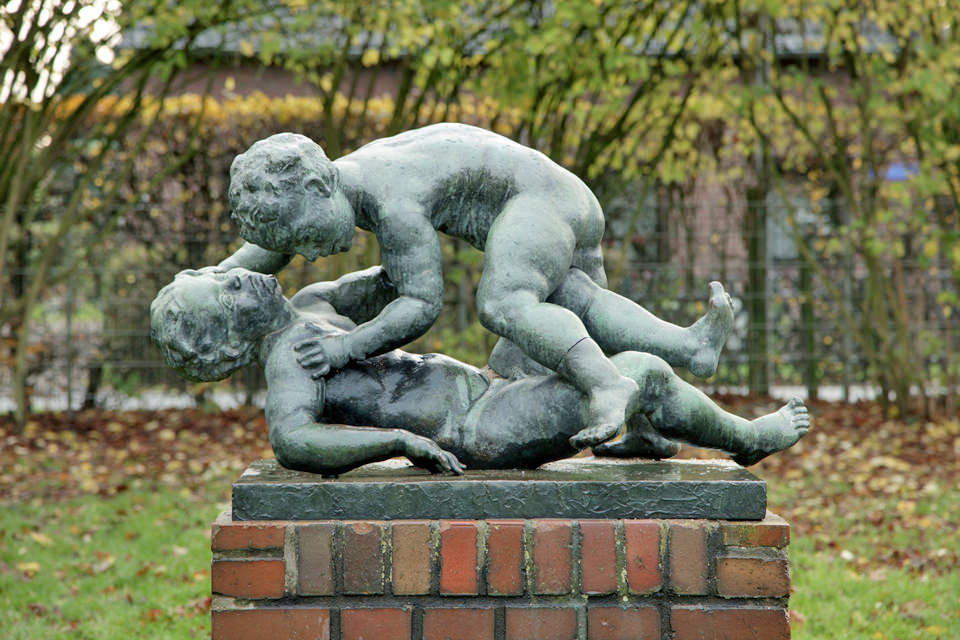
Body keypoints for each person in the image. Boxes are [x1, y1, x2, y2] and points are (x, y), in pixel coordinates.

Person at [216, 124, 735, 449]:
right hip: (558, 196)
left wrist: (345, 345)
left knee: (505, 304)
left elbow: (419, 304)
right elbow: (273, 243)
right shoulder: (335, 180)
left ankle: (607, 385)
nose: (305, 254)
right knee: (577, 300)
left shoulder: (393, 203)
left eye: (307, 237)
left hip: (538, 200)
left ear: (317, 188)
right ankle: (686, 351)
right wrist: (217, 277)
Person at [150, 267, 810, 476]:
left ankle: (651, 427)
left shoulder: (313, 304)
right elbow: (292, 442)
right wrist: (401, 442)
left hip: (489, 381)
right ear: (229, 327)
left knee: (553, 295)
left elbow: (396, 276)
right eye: (229, 290)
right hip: (480, 425)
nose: (244, 275)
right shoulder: (290, 364)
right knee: (641, 372)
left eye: (226, 274)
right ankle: (745, 440)